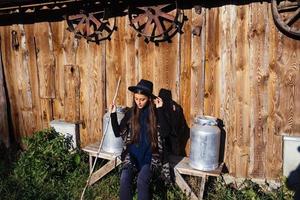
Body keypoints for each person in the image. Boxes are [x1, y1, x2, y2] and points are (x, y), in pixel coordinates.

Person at [109, 79, 170, 200]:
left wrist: (160, 110)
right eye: (136, 99)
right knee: (124, 179)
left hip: (151, 157)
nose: (139, 102)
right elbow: (118, 133)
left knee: (142, 181)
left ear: (149, 98)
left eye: (142, 99)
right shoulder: (131, 113)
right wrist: (113, 114)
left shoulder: (156, 114)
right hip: (132, 155)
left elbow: (165, 133)